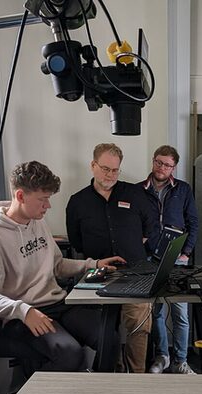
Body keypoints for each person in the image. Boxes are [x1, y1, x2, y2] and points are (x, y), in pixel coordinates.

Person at [0, 161, 124, 371]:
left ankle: (95, 391)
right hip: (24, 314)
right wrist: (22, 310)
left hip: (57, 303)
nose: (48, 206)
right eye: (43, 200)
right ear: (21, 196)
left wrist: (93, 264)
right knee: (69, 353)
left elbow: (57, 265)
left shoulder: (37, 221)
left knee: (110, 339)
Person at [66, 143, 158, 373]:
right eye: (105, 169)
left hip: (136, 273)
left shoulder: (135, 194)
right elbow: (76, 241)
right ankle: (113, 373)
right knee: (105, 329)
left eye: (115, 170)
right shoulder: (78, 202)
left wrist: (136, 246)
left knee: (139, 326)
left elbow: (152, 227)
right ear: (93, 165)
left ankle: (137, 375)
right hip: (98, 274)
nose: (110, 175)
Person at [141, 145, 199, 375]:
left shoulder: (183, 189)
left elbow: (193, 222)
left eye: (167, 164)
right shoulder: (139, 190)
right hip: (150, 258)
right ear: (153, 161)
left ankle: (180, 361)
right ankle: (162, 357)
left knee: (180, 313)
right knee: (155, 311)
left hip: (177, 258)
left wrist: (186, 251)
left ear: (174, 167)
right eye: (158, 162)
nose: (161, 167)